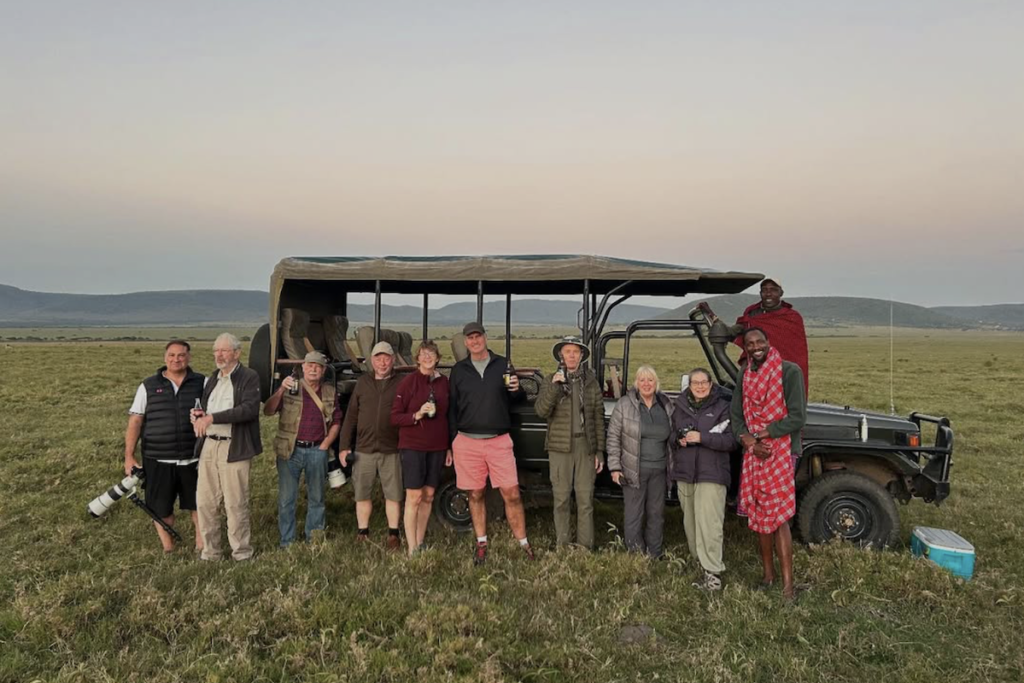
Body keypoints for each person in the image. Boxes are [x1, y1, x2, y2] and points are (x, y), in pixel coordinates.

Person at [731, 327, 807, 601]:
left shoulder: (789, 371)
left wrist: (764, 434)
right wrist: (750, 442)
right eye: (749, 344)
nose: (755, 347)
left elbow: (798, 417)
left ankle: (788, 586)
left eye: (759, 342)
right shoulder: (745, 374)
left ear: (768, 342)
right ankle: (768, 575)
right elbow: (736, 415)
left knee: (779, 517)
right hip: (754, 452)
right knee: (759, 513)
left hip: (782, 450)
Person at [448, 322, 533, 564]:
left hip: (499, 441)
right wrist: (453, 439)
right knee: (475, 494)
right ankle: (481, 542)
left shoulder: (502, 364)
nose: (475, 341)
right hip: (467, 441)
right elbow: (452, 407)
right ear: (465, 342)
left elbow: (517, 396)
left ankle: (523, 543)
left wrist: (517, 389)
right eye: (470, 338)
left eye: (478, 336)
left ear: (485, 338)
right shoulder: (459, 370)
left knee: (512, 493)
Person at [124, 340, 206, 553]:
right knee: (161, 508)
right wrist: (129, 456)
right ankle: (169, 549)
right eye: (171, 355)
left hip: (194, 457)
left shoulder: (203, 382)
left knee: (199, 506)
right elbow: (135, 420)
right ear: (164, 358)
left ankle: (201, 546)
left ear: (189, 357)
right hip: (158, 459)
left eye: (181, 355)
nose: (176, 359)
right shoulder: (148, 385)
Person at [191, 333, 262, 561]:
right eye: (215, 351)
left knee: (235, 502)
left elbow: (249, 410)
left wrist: (211, 418)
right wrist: (200, 415)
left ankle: (241, 552)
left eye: (223, 350)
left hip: (235, 447)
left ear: (237, 353)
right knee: (205, 502)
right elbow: (208, 408)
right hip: (209, 446)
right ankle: (211, 552)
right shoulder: (213, 378)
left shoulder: (249, 377)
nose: (218, 355)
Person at [263, 351, 342, 548]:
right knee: (286, 499)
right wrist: (280, 389)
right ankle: (287, 541)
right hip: (291, 450)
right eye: (309, 365)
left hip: (317, 450)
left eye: (317, 366)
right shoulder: (291, 388)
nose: (313, 369)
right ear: (303, 368)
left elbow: (337, 421)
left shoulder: (330, 392)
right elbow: (268, 410)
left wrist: (325, 445)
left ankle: (314, 538)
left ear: (323, 371)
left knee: (317, 498)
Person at [534, 335, 605, 550]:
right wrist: (556, 387)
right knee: (562, 499)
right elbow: (541, 411)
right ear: (561, 356)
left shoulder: (591, 382)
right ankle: (562, 545)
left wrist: (599, 451)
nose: (572, 355)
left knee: (585, 500)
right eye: (568, 351)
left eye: (576, 351)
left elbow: (598, 418)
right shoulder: (550, 380)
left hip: (585, 447)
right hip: (559, 448)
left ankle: (585, 546)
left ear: (582, 355)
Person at [669, 368, 734, 591]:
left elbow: (732, 441)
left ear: (710, 383)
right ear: (689, 385)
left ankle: (713, 572)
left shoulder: (722, 406)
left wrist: (702, 438)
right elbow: (672, 435)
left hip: (712, 473)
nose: (699, 386)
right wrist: (679, 440)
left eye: (703, 382)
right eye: (695, 383)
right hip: (685, 473)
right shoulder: (680, 406)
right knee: (691, 522)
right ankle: (699, 563)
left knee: (709, 523)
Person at [339, 341, 404, 550]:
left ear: (393, 360)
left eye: (386, 358)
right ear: (371, 361)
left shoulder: (402, 383)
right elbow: (350, 417)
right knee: (362, 493)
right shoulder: (362, 383)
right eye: (378, 358)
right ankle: (363, 532)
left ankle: (393, 534)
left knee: (393, 494)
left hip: (391, 448)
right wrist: (344, 446)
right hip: (364, 449)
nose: (382, 362)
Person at [606, 365, 675, 559]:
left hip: (659, 470)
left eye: (650, 380)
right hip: (633, 469)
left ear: (656, 382)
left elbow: (673, 434)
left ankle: (654, 552)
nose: (646, 384)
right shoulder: (625, 404)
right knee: (634, 514)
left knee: (656, 513)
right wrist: (615, 467)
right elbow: (613, 437)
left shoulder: (665, 404)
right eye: (642, 380)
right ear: (636, 383)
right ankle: (636, 553)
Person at [390, 340, 451, 556]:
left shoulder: (444, 382)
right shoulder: (408, 383)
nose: (427, 358)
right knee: (414, 496)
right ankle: (411, 546)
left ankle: (421, 539)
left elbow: (447, 416)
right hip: (413, 445)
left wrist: (448, 448)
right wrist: (417, 414)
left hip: (437, 446)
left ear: (437, 358)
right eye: (423, 354)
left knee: (428, 495)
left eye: (431, 354)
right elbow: (395, 417)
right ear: (417, 358)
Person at [732, 277, 809, 396]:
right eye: (764, 290)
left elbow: (796, 352)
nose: (768, 293)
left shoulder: (792, 317)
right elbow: (744, 331)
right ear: (760, 293)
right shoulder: (752, 313)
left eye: (773, 290)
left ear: (781, 293)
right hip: (756, 368)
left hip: (783, 372)